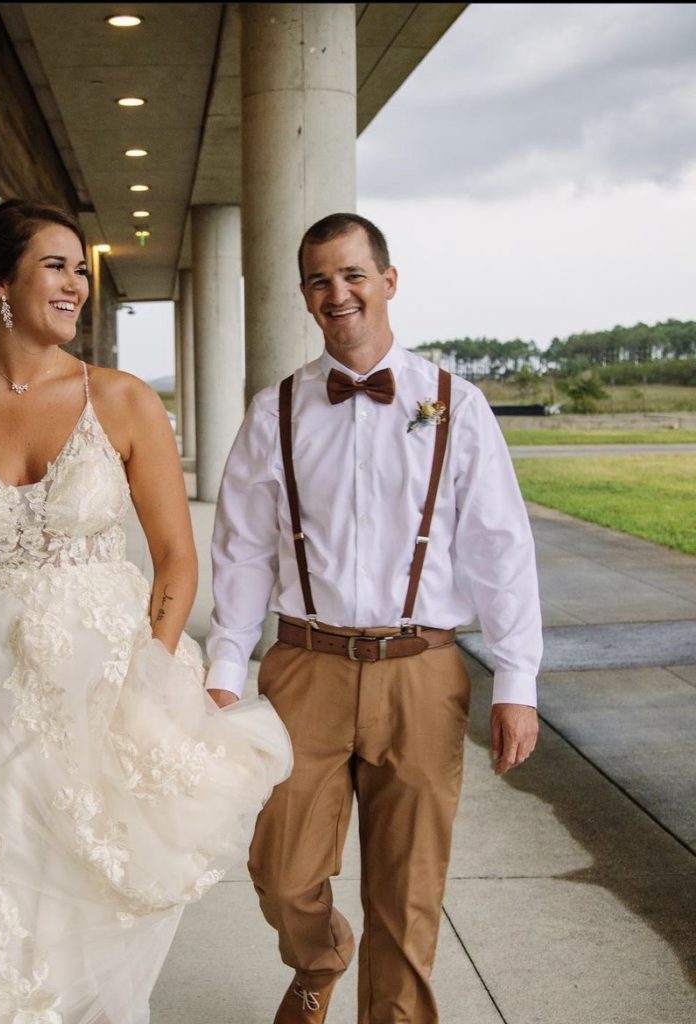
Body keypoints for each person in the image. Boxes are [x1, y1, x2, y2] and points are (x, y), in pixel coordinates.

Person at [0, 198, 291, 1023]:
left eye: (80, 270)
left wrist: (151, 671)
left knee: (81, 909)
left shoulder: (125, 401)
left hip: (100, 702)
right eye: (55, 266)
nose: (76, 285)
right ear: (1, 282)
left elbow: (177, 556)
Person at [205, 212, 542, 1024]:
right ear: (304, 296)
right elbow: (243, 550)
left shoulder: (453, 404)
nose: (338, 292)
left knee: (409, 889)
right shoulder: (274, 411)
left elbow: (500, 544)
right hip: (304, 667)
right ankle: (320, 955)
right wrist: (223, 669)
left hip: (422, 669)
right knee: (281, 868)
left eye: (353, 274)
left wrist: (517, 678)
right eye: (320, 280)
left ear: (388, 281)